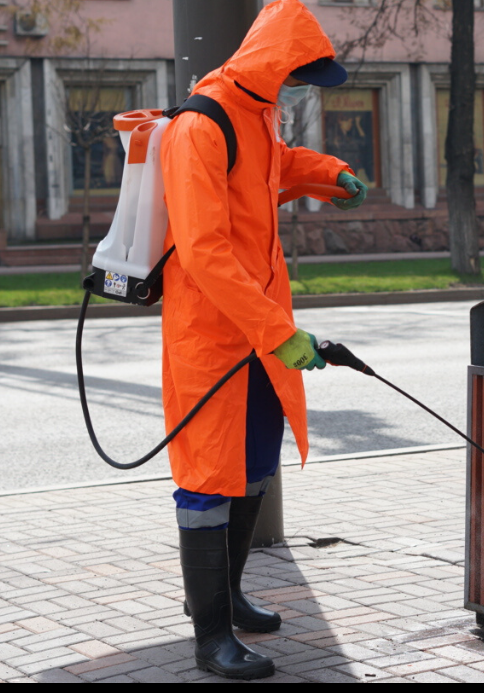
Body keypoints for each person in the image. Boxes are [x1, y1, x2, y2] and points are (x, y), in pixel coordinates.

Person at [160, 0, 367, 680]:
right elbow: (203, 250)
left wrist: (329, 174)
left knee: (251, 464)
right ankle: (210, 633)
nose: (300, 85)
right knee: (206, 478)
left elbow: (276, 165)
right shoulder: (202, 123)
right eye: (300, 73)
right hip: (214, 338)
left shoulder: (256, 112)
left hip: (257, 333)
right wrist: (281, 335)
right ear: (277, 61)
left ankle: (231, 595)